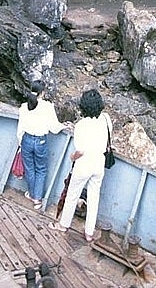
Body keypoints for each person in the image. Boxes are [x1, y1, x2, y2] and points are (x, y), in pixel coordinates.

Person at [48, 89, 111, 243]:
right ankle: (89, 233)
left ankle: (63, 225)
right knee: (94, 198)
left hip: (84, 165)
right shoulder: (106, 118)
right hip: (99, 163)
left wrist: (72, 157)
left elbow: (80, 151)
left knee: (72, 195)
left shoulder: (82, 125)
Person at [17, 81, 70, 210]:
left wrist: (20, 143)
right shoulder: (47, 107)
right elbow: (54, 128)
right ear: (42, 93)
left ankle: (32, 194)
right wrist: (65, 125)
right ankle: (37, 199)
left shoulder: (24, 106)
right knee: (41, 169)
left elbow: (20, 128)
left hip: (26, 140)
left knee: (29, 168)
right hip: (40, 141)